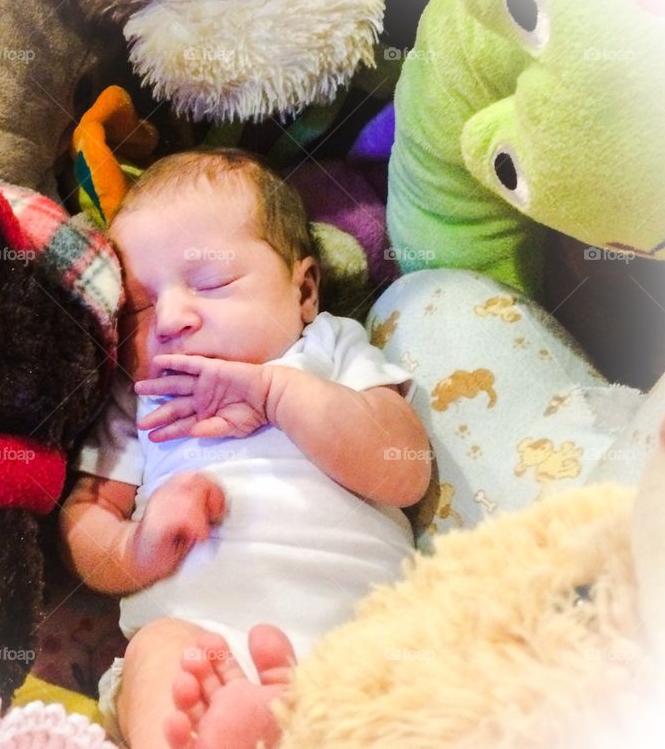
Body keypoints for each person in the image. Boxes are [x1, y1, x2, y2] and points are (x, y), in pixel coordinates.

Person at [60, 148, 431, 749]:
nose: (171, 318)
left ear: (304, 290)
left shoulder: (326, 351)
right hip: (201, 643)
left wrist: (276, 394)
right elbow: (84, 521)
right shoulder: (143, 400)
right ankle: (204, 735)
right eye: (142, 304)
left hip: (366, 635)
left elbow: (405, 470)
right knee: (158, 652)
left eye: (212, 282)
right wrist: (135, 545)